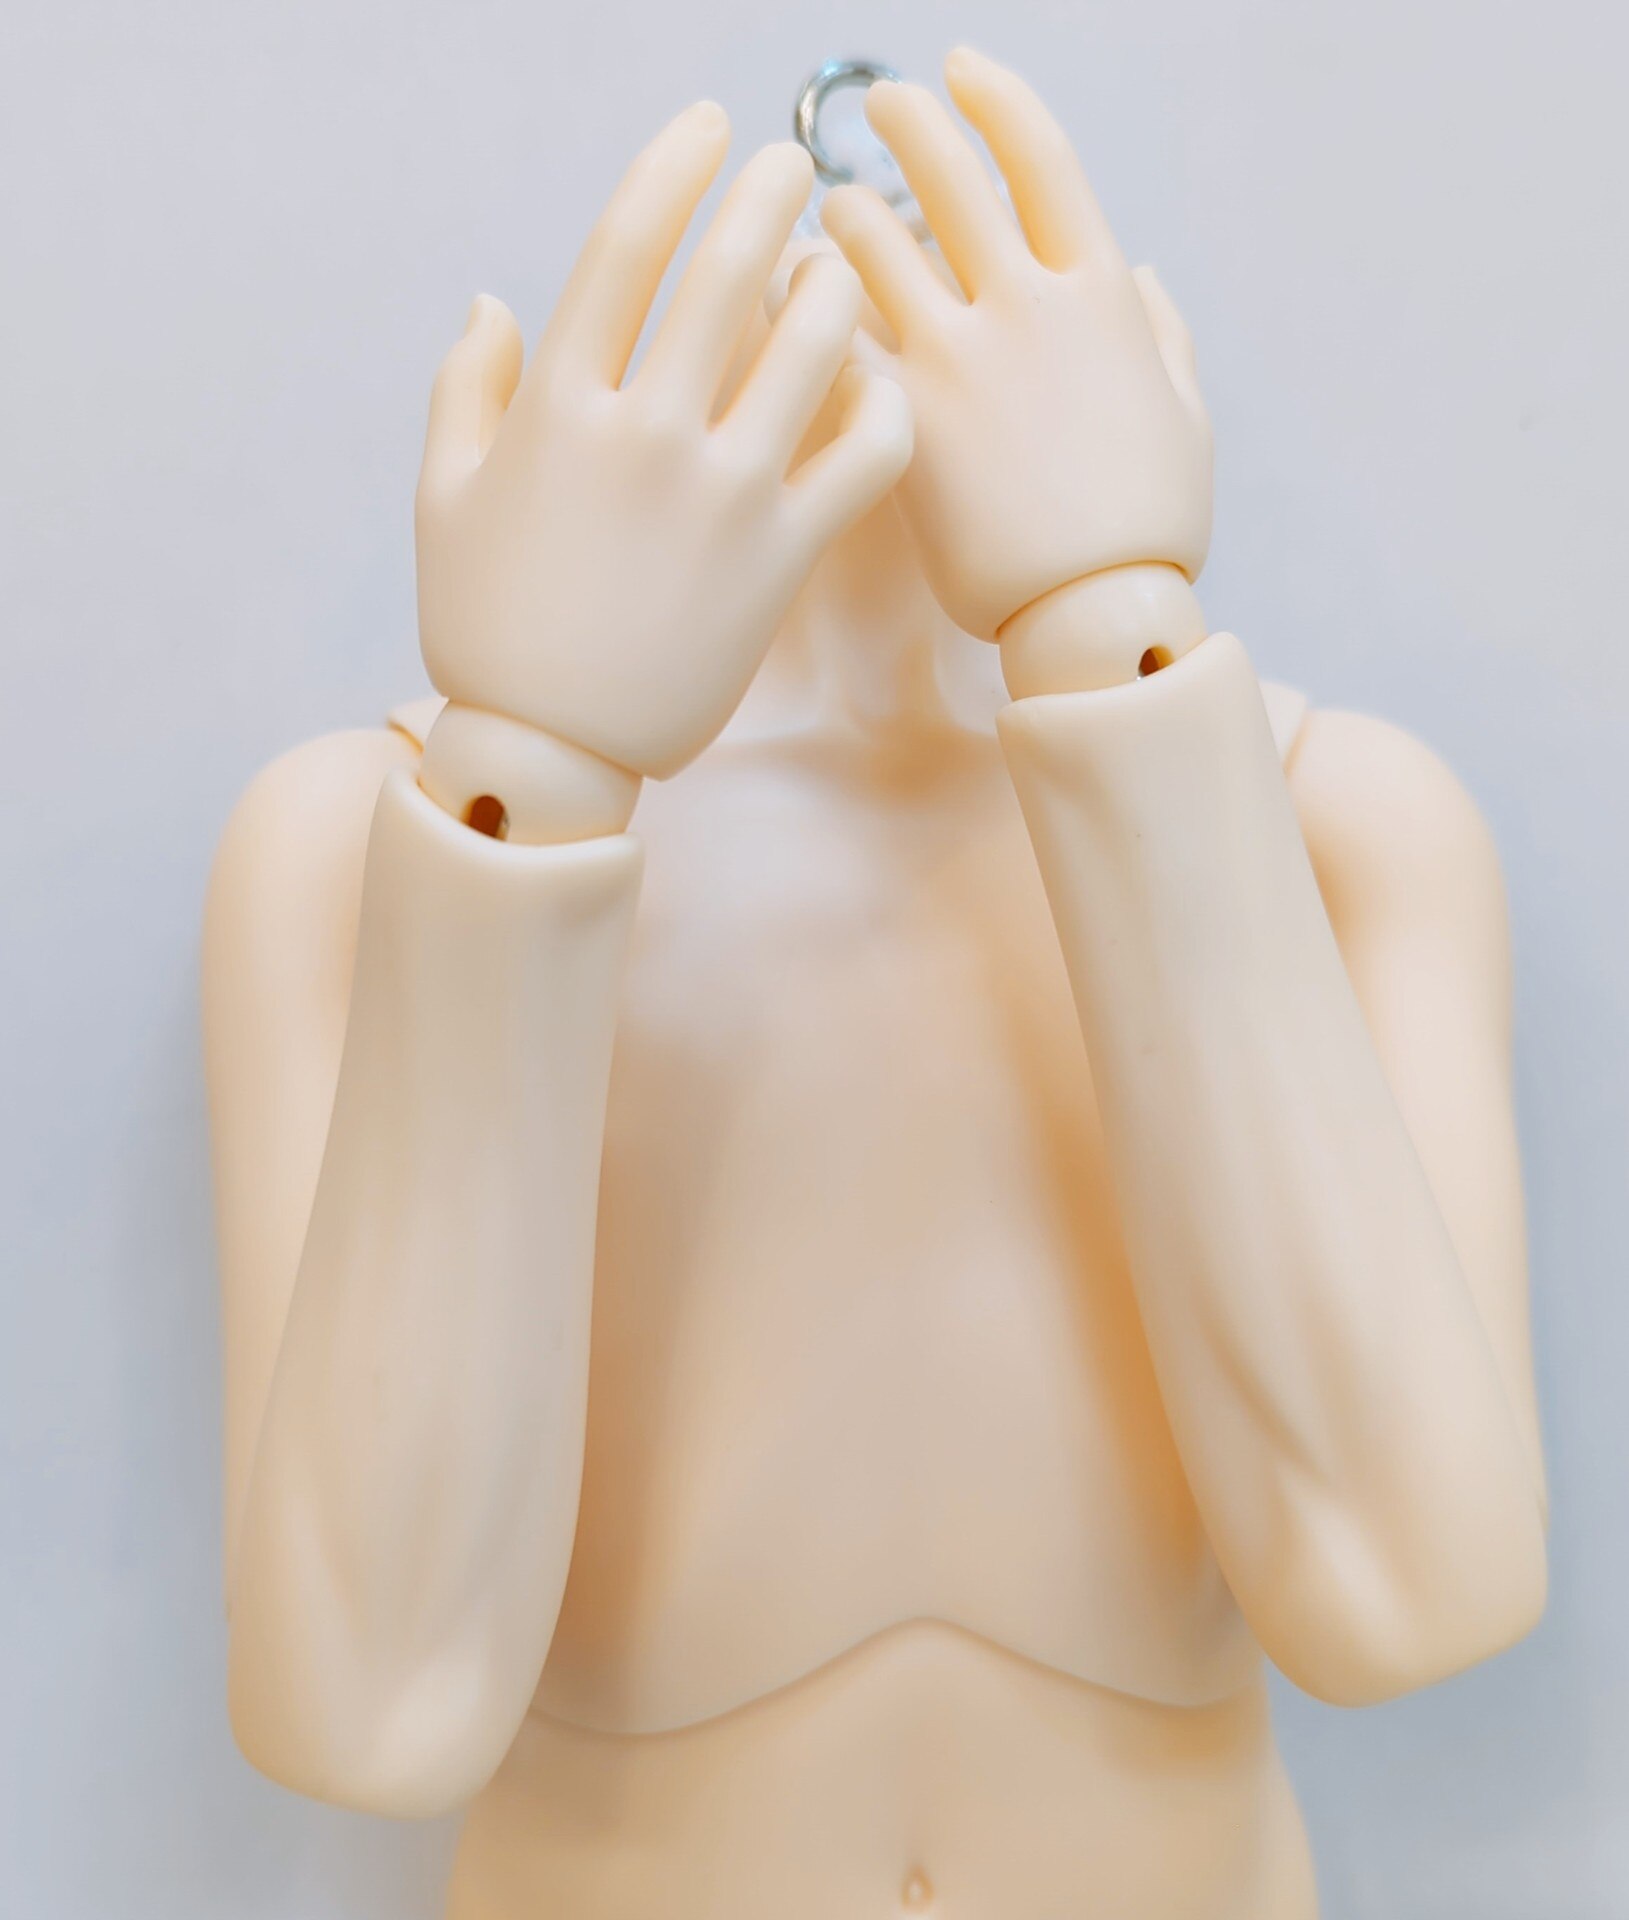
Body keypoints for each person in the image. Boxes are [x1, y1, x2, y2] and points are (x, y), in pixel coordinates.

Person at [203, 49, 1546, 1917]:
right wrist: (528, 777)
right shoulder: (358, 851)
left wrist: (1115, 646)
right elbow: (371, 1709)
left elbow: (1413, 1593)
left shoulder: (1341, 830)